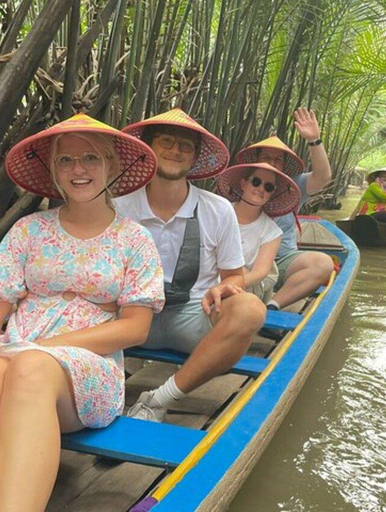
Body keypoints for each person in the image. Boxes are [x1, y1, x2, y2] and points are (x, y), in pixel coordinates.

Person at [0, 114, 165, 511]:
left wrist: (40, 348)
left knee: (31, 367)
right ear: (53, 170)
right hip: (12, 356)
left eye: (90, 158)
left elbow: (135, 329)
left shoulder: (134, 239)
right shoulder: (29, 230)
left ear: (112, 167)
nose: (78, 169)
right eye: (65, 161)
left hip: (87, 370)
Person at [114, 108, 267, 423]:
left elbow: (234, 274)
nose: (175, 151)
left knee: (251, 309)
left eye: (185, 146)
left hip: (193, 313)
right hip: (131, 314)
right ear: (149, 148)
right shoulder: (118, 207)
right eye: (166, 142)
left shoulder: (218, 209)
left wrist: (226, 286)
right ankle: (103, 391)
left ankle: (159, 398)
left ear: (195, 157)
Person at [234, 108, 334, 311]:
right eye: (266, 157)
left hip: (283, 260)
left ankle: (273, 305)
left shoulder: (292, 186)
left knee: (323, 263)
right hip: (241, 259)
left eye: (277, 160)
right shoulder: (239, 182)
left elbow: (323, 177)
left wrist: (314, 140)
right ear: (245, 183)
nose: (261, 188)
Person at [214, 162, 301, 303]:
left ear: (272, 194)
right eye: (256, 182)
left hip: (241, 288)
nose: (261, 189)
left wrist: (225, 286)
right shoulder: (219, 212)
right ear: (243, 184)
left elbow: (259, 273)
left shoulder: (272, 232)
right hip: (206, 277)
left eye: (268, 187)